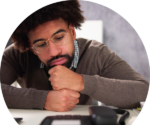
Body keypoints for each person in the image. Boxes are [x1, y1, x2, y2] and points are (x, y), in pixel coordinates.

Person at [1, 0, 150, 112]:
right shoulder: (18, 55)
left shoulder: (96, 53)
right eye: (40, 45)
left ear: (72, 32)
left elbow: (144, 92)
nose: (53, 52)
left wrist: (81, 82)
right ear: (31, 47)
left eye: (59, 37)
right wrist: (41, 100)